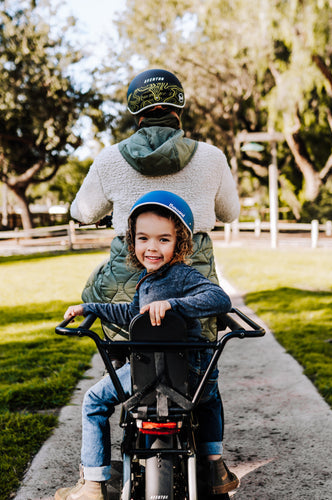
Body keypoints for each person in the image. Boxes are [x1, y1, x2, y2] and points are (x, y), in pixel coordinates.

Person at [55, 191, 239, 500]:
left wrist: (173, 304)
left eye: (163, 240)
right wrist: (92, 308)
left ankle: (93, 484)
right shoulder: (146, 280)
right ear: (133, 240)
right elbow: (131, 314)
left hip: (156, 375)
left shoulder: (182, 275)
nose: (151, 247)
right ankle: (215, 467)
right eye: (143, 238)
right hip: (188, 378)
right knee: (210, 394)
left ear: (179, 244)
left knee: (93, 402)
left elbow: (220, 299)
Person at [70, 68, 240, 343]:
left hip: (129, 281)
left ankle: (122, 371)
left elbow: (83, 212)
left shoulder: (109, 159)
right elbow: (230, 213)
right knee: (197, 353)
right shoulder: (212, 157)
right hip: (193, 278)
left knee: (112, 317)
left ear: (136, 113)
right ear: (179, 109)